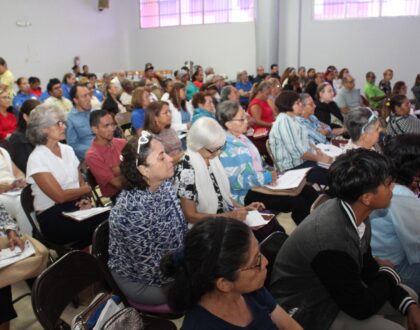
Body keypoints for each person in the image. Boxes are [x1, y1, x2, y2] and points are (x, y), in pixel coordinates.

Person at [270, 149, 420, 330]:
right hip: (308, 307)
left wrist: (407, 303)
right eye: (388, 184)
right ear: (367, 197)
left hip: (334, 289)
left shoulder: (356, 210)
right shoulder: (329, 239)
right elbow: (361, 308)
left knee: (410, 298)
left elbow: (367, 267)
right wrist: (388, 272)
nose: (393, 188)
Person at [160, 217, 303, 330]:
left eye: (259, 252)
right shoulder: (200, 325)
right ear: (224, 283)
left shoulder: (252, 292)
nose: (265, 262)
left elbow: (288, 325)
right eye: (256, 261)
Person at [108, 132, 187, 305]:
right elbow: (149, 270)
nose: (170, 158)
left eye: (166, 153)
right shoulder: (131, 213)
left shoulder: (163, 184)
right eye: (161, 157)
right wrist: (186, 272)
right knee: (202, 289)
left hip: (170, 261)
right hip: (142, 281)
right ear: (144, 170)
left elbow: (180, 228)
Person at [217, 101, 318, 225]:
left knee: (308, 191)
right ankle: (308, 232)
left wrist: (273, 171)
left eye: (246, 117)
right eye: (242, 119)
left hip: (262, 183)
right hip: (245, 193)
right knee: (298, 202)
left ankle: (317, 224)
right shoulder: (225, 147)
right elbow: (235, 182)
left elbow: (260, 163)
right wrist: (266, 177)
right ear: (228, 124)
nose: (247, 121)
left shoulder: (242, 138)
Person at [26, 104, 109, 246]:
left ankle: (103, 261)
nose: (64, 127)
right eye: (58, 123)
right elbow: (59, 196)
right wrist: (86, 190)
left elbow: (80, 181)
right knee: (108, 221)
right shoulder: (37, 158)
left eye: (63, 123)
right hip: (53, 218)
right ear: (43, 129)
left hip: (76, 208)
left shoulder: (67, 150)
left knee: (112, 218)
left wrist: (84, 198)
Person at [173, 117, 263, 225]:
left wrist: (243, 209)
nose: (218, 153)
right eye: (213, 149)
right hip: (206, 227)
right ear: (198, 145)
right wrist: (229, 216)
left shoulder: (211, 158)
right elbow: (191, 216)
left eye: (220, 147)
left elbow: (221, 195)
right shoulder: (186, 168)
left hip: (222, 218)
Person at [370, 134, 420, 293]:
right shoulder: (400, 196)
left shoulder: (378, 179)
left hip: (376, 257)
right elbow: (416, 244)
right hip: (391, 267)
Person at [0, 202, 48, 330]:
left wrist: (12, 233)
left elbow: (4, 218)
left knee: (35, 266)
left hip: (3, 254)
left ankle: (49, 312)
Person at [269, 91, 331, 186]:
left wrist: (315, 149)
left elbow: (303, 139)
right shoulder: (284, 122)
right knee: (332, 177)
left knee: (335, 170)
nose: (301, 105)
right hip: (293, 167)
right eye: (298, 103)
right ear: (288, 106)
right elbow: (299, 153)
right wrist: (320, 158)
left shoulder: (293, 118)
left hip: (302, 162)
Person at [85, 110, 126, 202]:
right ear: (95, 129)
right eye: (106, 126)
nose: (112, 129)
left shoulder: (122, 143)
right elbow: (117, 184)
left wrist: (118, 170)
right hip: (119, 196)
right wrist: (128, 170)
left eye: (112, 124)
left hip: (134, 189)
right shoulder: (92, 155)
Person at [0, 147, 30, 235]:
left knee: (26, 198)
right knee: (21, 203)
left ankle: (31, 240)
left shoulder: (2, 150)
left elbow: (17, 172)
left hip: (15, 189)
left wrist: (20, 179)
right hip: (3, 196)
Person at [8, 99, 40, 173]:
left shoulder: (44, 134)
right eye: (36, 116)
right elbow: (24, 167)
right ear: (26, 117)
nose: (41, 119)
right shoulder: (17, 138)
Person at [66, 84, 95, 160]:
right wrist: (94, 152)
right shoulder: (70, 119)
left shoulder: (94, 113)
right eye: (85, 96)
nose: (89, 98)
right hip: (89, 156)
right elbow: (73, 145)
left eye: (89, 95)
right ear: (76, 100)